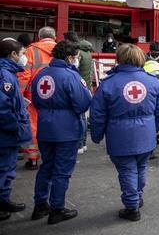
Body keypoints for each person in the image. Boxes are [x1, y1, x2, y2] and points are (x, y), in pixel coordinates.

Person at [90, 44, 159, 221]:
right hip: (146, 134)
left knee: (127, 170)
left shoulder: (108, 83)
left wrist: (96, 134)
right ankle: (137, 197)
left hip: (119, 136)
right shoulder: (152, 81)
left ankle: (132, 206)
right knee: (141, 167)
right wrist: (154, 129)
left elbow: (98, 114)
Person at [30, 40, 92, 224]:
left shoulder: (41, 74)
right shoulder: (71, 76)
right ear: (70, 57)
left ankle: (40, 205)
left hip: (45, 127)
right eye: (76, 57)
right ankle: (57, 209)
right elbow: (82, 103)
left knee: (46, 167)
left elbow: (35, 100)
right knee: (62, 171)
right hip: (66, 130)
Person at [0, 39, 32, 222]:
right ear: (12, 55)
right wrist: (15, 126)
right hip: (6, 133)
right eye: (22, 54)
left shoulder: (8, 73)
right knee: (3, 169)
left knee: (7, 169)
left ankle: (3, 200)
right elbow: (2, 108)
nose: (24, 58)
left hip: (7, 133)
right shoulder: (5, 75)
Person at [18, 26, 57, 170]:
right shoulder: (63, 50)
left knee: (33, 126)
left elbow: (24, 74)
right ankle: (52, 156)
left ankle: (33, 158)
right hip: (56, 94)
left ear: (40, 37)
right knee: (54, 123)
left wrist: (19, 96)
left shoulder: (31, 50)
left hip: (33, 94)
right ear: (54, 36)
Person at [63, 31, 93, 155]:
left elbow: (74, 69)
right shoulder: (87, 52)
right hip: (87, 87)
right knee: (83, 117)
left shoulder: (77, 53)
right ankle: (83, 143)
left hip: (78, 87)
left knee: (79, 118)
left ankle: (79, 143)